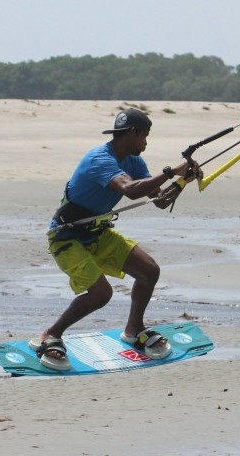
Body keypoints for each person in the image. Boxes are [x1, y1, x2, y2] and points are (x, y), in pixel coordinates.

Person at [29, 108, 202, 370]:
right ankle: (50, 334)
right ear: (132, 133)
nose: (146, 142)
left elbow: (160, 201)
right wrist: (171, 171)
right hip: (67, 237)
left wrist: (183, 181)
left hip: (98, 233)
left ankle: (134, 330)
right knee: (101, 293)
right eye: (145, 136)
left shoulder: (134, 162)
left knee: (149, 271)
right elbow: (130, 190)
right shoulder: (100, 159)